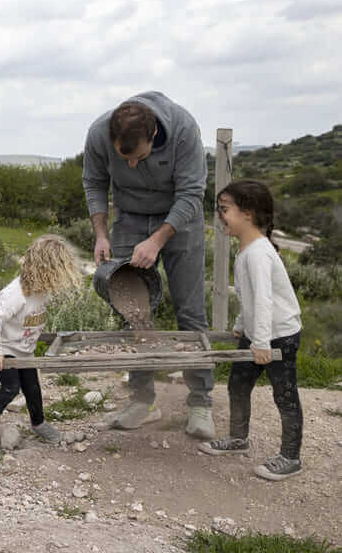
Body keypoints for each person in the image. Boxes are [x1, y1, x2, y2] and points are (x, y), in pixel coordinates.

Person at [82, 91, 216, 439]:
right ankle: (143, 400)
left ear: (153, 135)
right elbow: (95, 183)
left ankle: (200, 402)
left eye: (136, 157)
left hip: (180, 217)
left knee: (190, 311)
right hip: (128, 217)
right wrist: (100, 234)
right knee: (132, 310)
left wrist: (157, 241)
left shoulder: (184, 129)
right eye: (122, 157)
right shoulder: (99, 132)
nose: (129, 165)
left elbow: (191, 194)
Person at [198, 180, 303, 481]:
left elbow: (265, 301)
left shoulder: (258, 252)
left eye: (224, 210)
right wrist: (241, 326)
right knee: (238, 384)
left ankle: (291, 457)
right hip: (258, 332)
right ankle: (237, 439)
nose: (220, 217)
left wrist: (260, 343)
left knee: (285, 394)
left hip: (278, 334)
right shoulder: (247, 249)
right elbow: (248, 296)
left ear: (248, 213)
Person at [0, 235, 80, 446]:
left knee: (33, 388)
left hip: (26, 351)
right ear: (41, 269)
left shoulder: (42, 290)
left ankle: (38, 423)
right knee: (11, 388)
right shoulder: (14, 295)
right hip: (7, 350)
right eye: (54, 273)